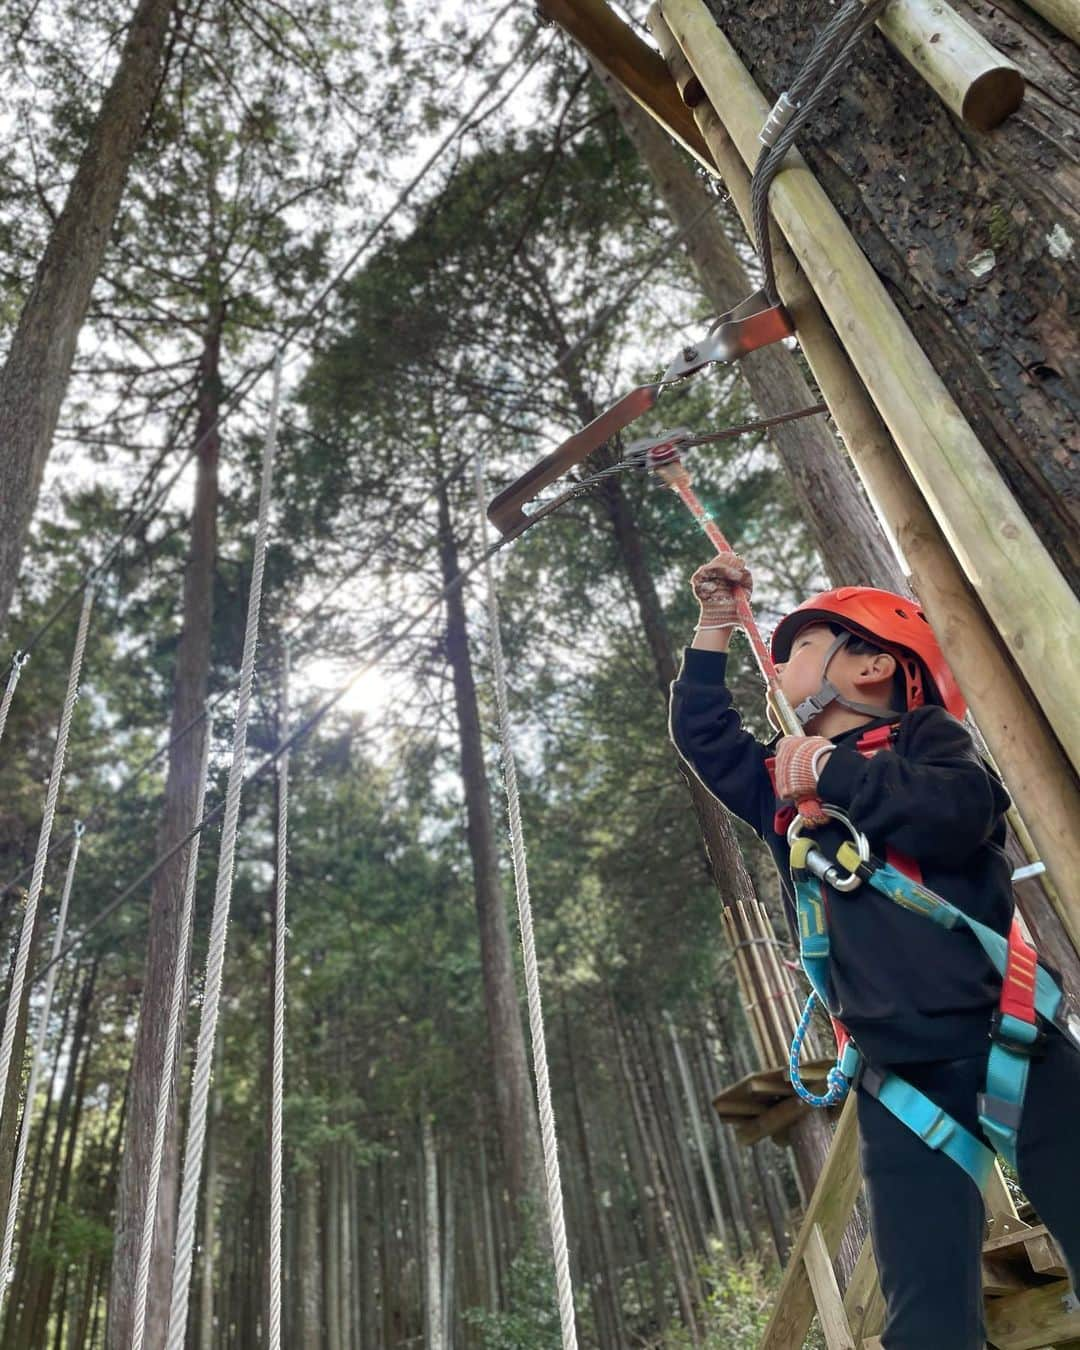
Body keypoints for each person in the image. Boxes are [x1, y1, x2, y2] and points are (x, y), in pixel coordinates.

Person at [668, 551, 1080, 1350]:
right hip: (901, 1080)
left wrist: (836, 771)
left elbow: (956, 815)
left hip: (1016, 1039)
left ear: (872, 665)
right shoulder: (782, 789)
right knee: (925, 1319)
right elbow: (704, 734)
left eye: (797, 648)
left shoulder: (928, 742)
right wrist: (716, 626)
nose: (775, 664)